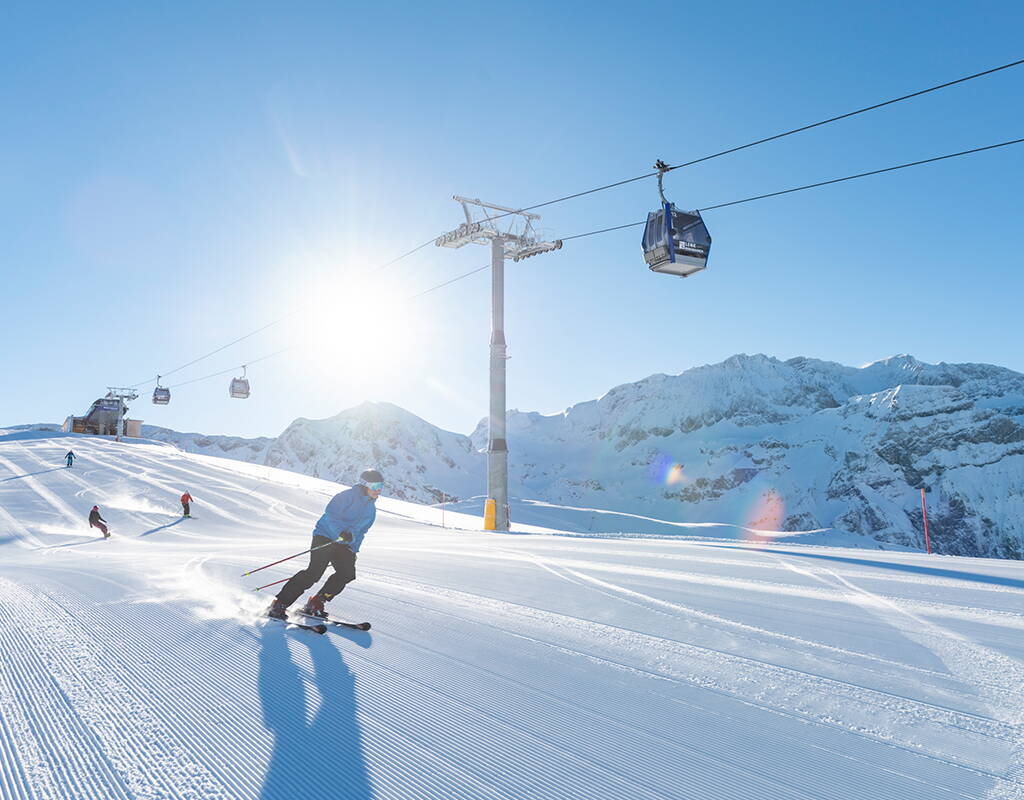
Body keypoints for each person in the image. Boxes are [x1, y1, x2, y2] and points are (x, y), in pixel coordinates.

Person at [268, 469, 384, 620]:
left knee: (347, 574)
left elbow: (361, 532)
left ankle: (316, 602)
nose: (379, 490)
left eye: (381, 486)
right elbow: (331, 516)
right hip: (325, 536)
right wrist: (340, 533)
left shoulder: (371, 509)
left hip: (344, 544)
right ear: (364, 485)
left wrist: (353, 549)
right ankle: (280, 604)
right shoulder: (346, 496)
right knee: (314, 572)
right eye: (375, 486)